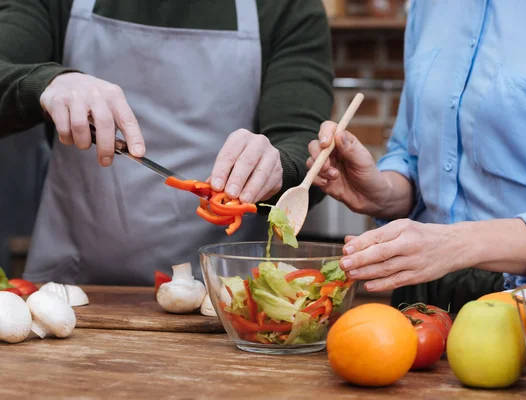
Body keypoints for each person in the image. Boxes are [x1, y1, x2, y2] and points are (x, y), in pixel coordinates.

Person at [0, 0, 332, 285]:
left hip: (224, 299)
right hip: (70, 289)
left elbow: (304, 145)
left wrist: (278, 164)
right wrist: (47, 84)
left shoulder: (287, 6)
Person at [308, 0, 526, 312]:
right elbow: (411, 155)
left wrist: (456, 244)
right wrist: (384, 193)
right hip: (420, 301)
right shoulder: (430, 6)